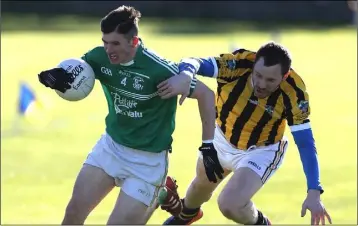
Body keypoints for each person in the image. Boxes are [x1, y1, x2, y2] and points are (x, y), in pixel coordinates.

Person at [37, 5, 221, 225]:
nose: (108, 49)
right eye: (105, 42)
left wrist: (208, 145)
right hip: (110, 148)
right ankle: (162, 193)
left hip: (148, 163)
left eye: (115, 43)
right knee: (73, 214)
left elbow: (207, 95)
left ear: (134, 41)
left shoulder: (160, 69)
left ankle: (159, 191)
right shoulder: (99, 57)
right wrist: (56, 78)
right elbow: (78, 73)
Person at [160, 41, 332, 225]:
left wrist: (314, 191)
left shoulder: (294, 93)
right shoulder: (238, 65)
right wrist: (187, 74)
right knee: (197, 190)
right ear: (254, 64)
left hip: (260, 150)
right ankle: (187, 215)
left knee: (229, 203)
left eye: (271, 80)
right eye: (258, 75)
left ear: (285, 75)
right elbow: (194, 62)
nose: (261, 84)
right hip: (221, 137)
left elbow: (305, 143)